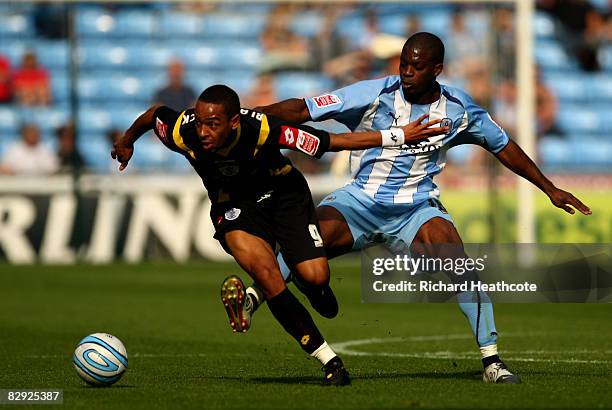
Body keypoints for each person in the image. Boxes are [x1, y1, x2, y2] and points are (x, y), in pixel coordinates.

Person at [241, 32, 592, 384]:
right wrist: (247, 117)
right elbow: (303, 109)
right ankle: (255, 296)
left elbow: (503, 146)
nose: (407, 71)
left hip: (416, 209)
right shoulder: (372, 94)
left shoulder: (458, 109)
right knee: (304, 245)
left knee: (461, 267)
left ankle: (493, 363)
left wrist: (549, 188)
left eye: (417, 66)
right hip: (359, 201)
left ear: (437, 69)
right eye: (404, 63)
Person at [111, 84, 448, 385]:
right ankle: (329, 360)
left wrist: (397, 136)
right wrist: (127, 141)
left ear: (233, 122)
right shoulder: (182, 131)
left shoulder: (263, 128)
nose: (202, 131)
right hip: (234, 207)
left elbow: (332, 142)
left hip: (285, 196)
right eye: (199, 122)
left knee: (315, 277)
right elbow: (154, 114)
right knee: (268, 276)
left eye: (211, 124)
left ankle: (308, 283)